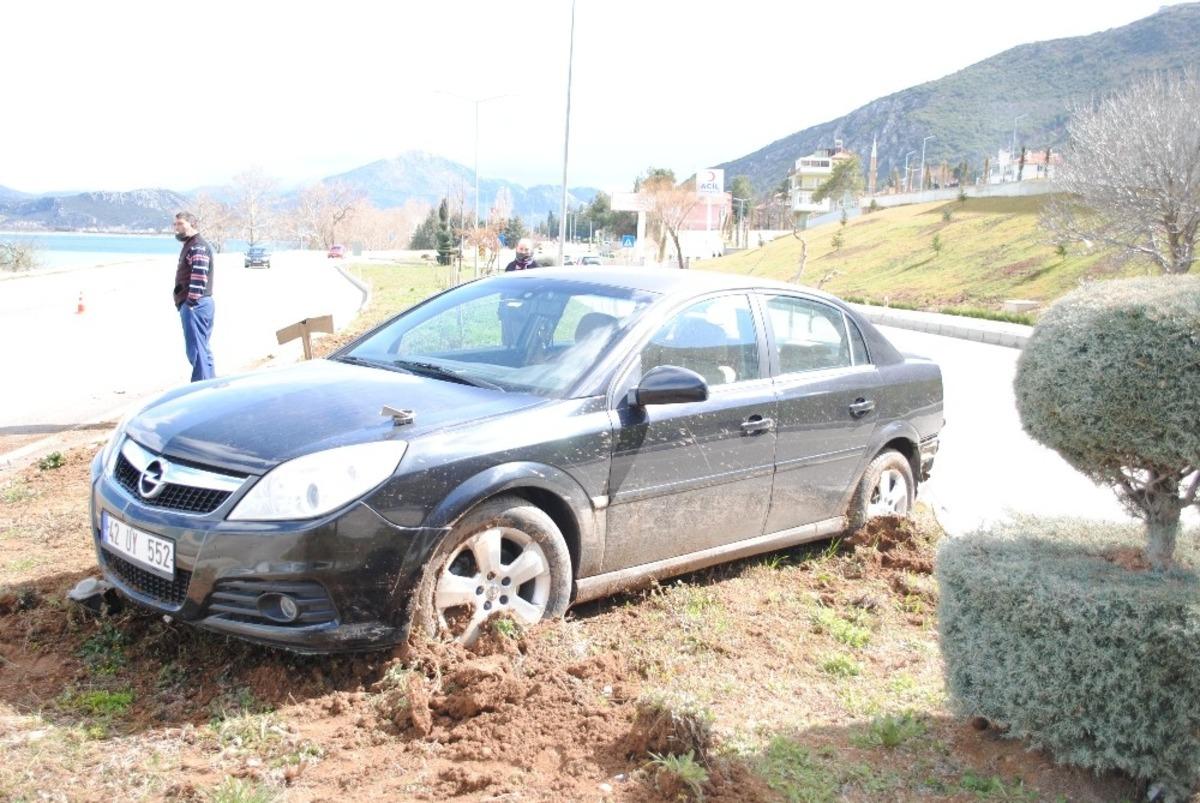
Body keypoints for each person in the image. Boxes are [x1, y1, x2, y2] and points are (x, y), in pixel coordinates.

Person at [172, 211, 216, 381]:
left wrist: (190, 302)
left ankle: (200, 392)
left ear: (192, 224)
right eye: (175, 224)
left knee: (196, 350)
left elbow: (199, 275)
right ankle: (211, 386)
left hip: (196, 305)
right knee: (202, 349)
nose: (177, 228)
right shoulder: (192, 244)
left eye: (181, 224)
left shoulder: (197, 246)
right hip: (197, 304)